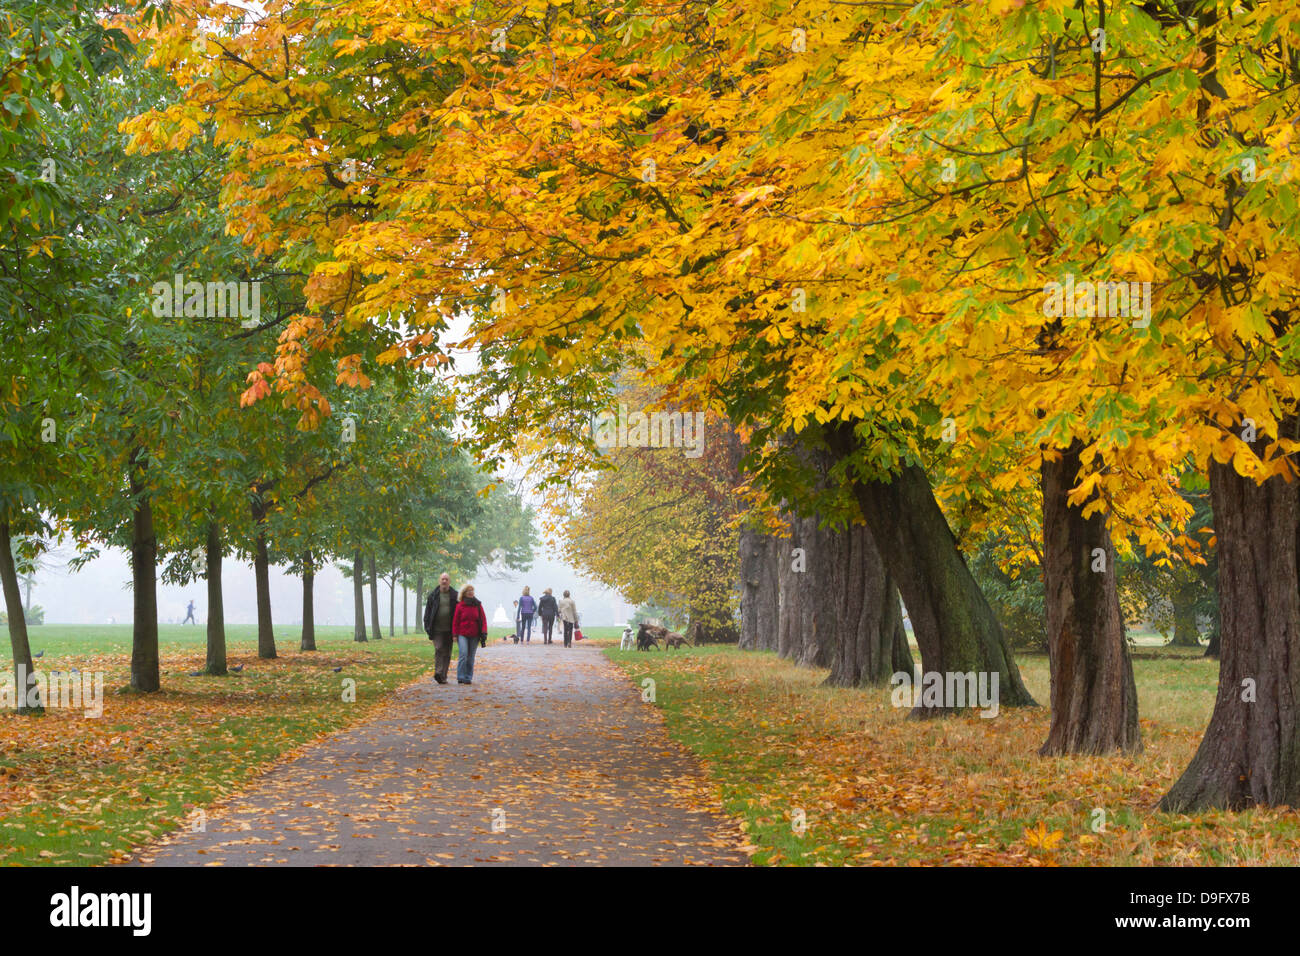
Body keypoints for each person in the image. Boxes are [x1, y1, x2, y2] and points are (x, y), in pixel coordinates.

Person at [423, 572, 457, 684]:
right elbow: (427, 613)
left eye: (446, 579)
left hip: (450, 630)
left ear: (449, 582)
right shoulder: (433, 595)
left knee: (447, 652)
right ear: (439, 581)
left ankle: (443, 676)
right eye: (442, 579)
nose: (444, 581)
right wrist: (427, 627)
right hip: (436, 629)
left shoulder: (455, 595)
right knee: (438, 648)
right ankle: (438, 672)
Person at [452, 584, 488, 684]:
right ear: (464, 593)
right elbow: (455, 621)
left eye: (472, 590)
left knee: (471, 656)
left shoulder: (478, 605)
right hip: (462, 634)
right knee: (463, 654)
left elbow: (483, 619)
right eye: (468, 590)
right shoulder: (460, 606)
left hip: (475, 634)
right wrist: (454, 635)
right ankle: (460, 676)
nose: (471, 592)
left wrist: (484, 631)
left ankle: (468, 677)